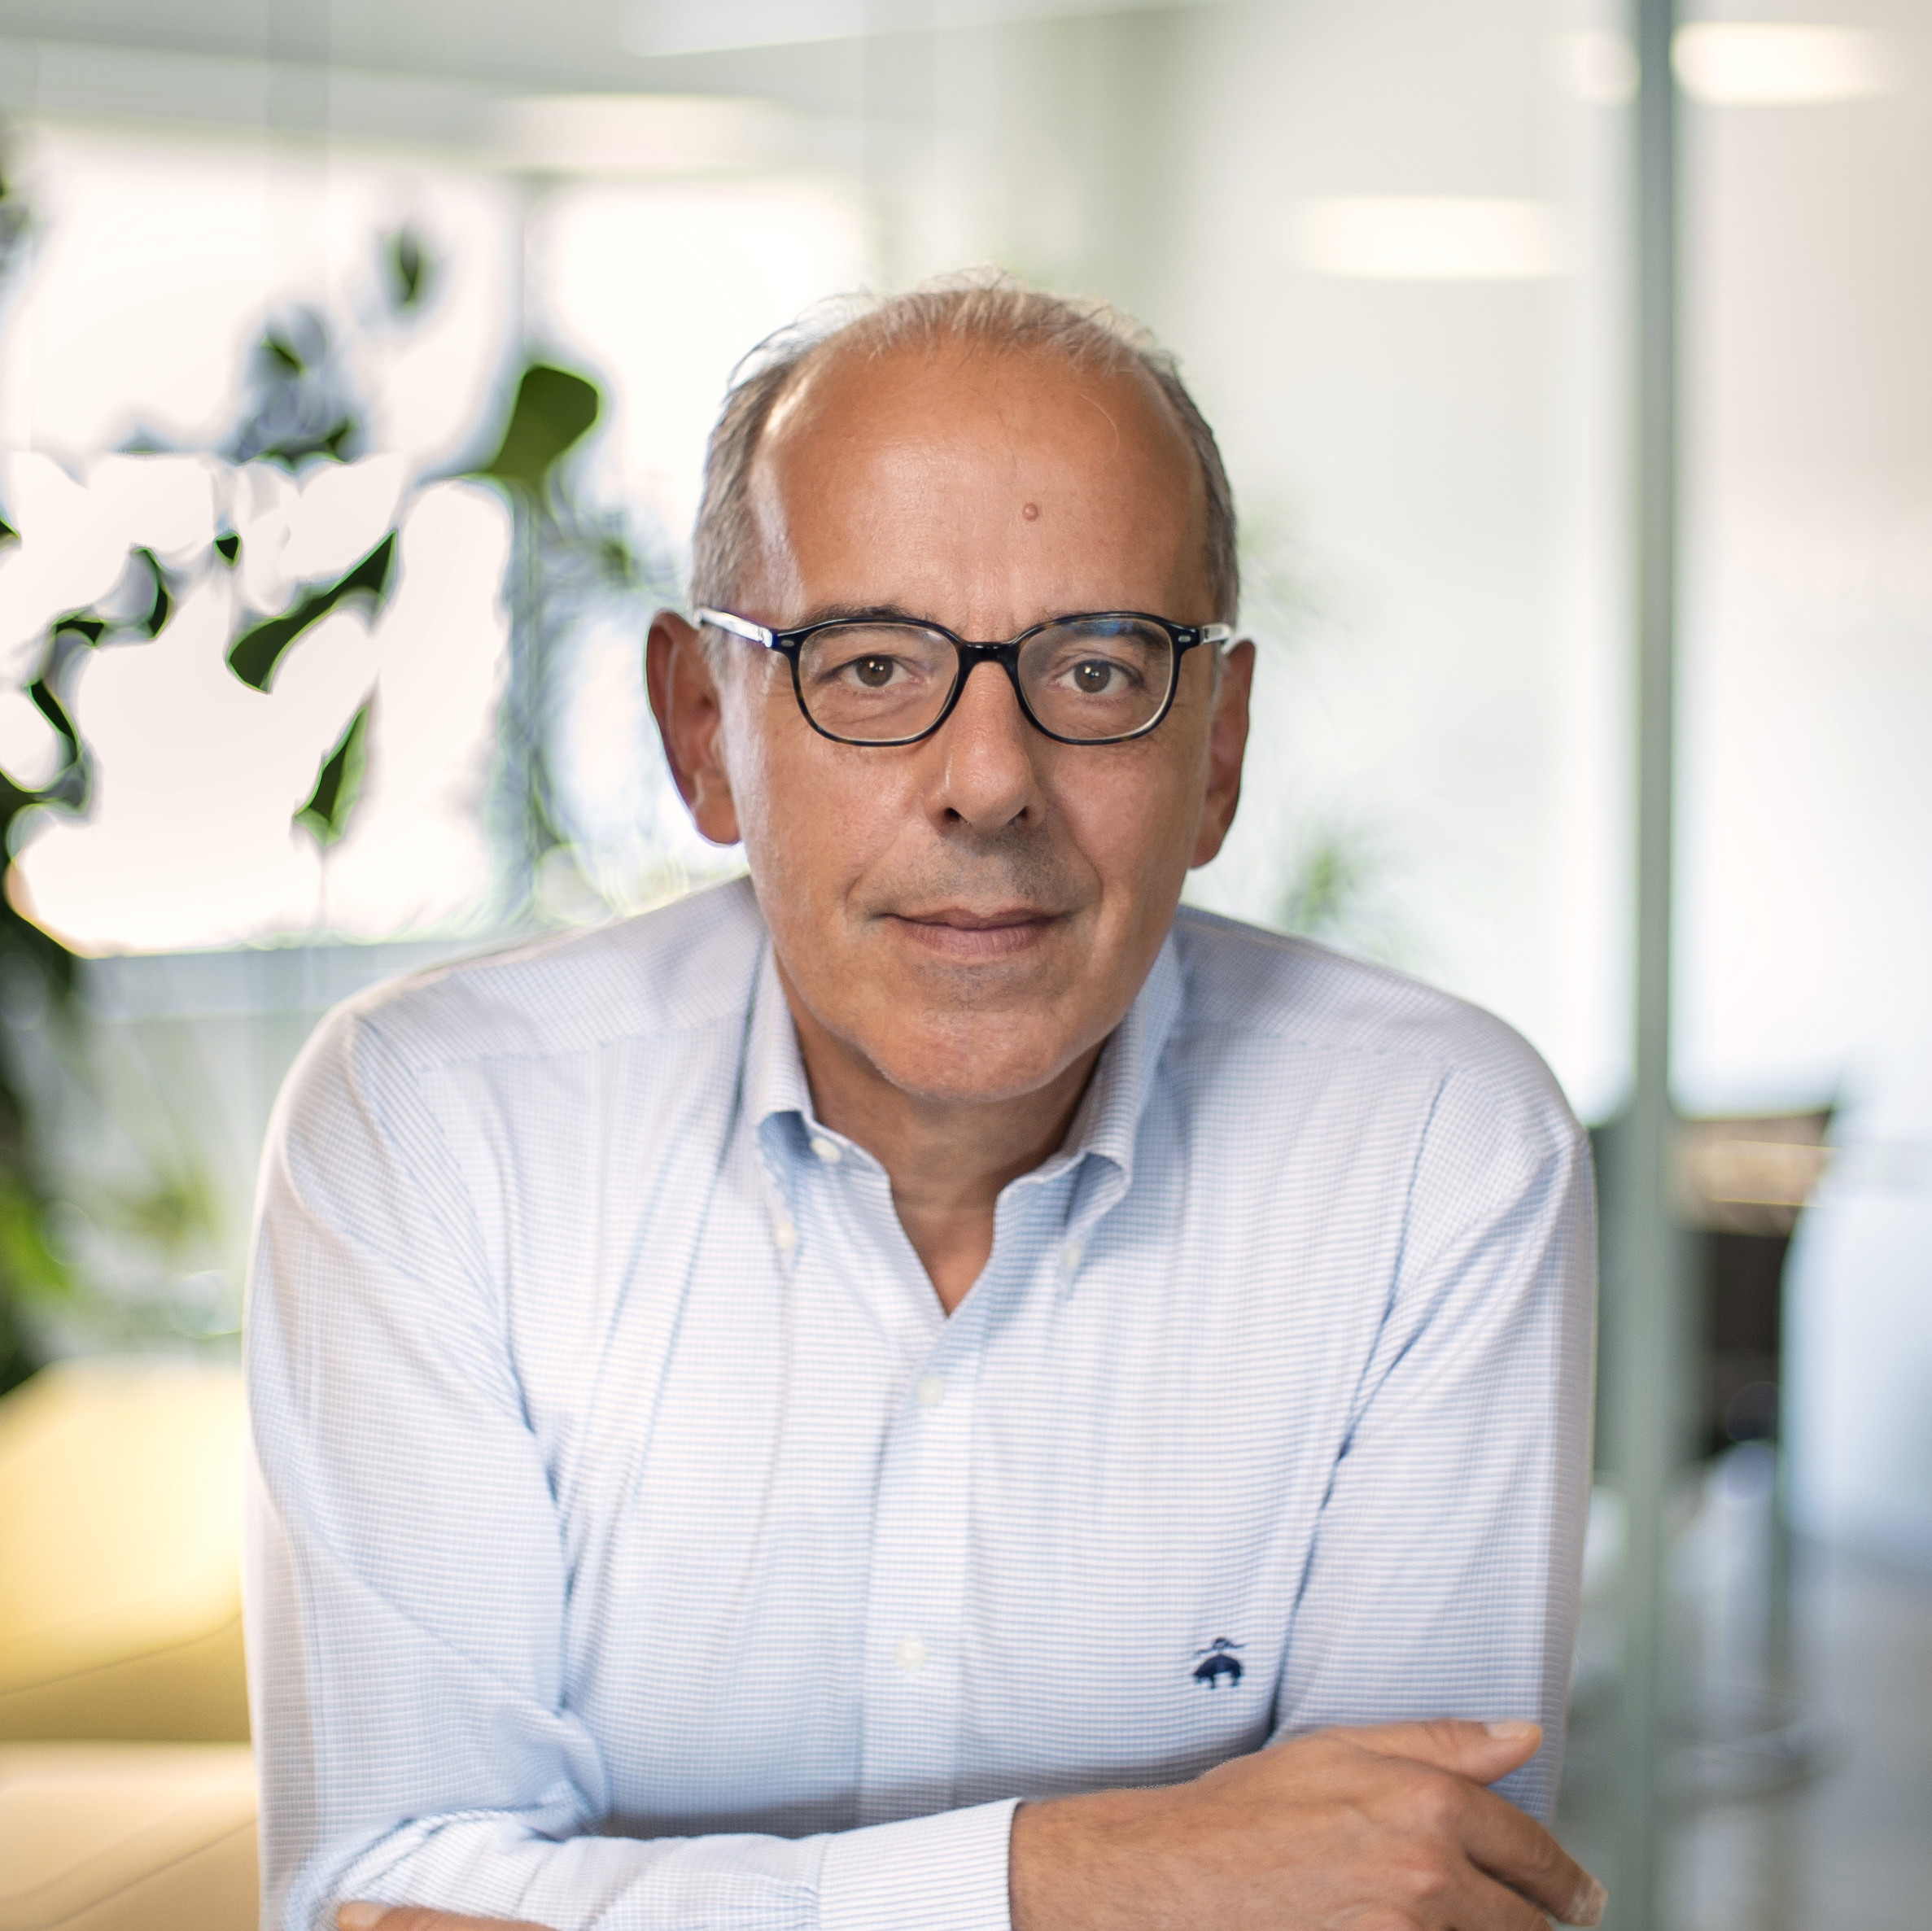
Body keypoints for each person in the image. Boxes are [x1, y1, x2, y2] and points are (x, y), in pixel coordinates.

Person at [245, 276, 1605, 1931]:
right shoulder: (431, 1128)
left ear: (1217, 748)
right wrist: (1074, 1879)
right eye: (873, 665)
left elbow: (1401, 1891)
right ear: (702, 729)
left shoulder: (1436, 1151)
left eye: (1096, 669)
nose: (989, 779)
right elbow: (384, 1895)